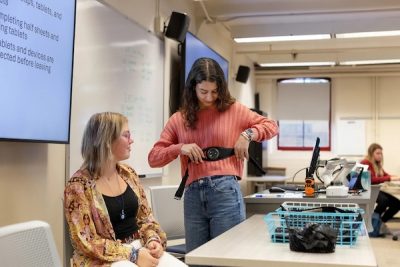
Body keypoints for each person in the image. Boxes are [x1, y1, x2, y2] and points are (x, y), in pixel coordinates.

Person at [148, 57, 279, 257]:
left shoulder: (234, 110)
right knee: (197, 258)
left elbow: (271, 126)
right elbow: (153, 158)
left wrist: (247, 135)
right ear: (193, 87)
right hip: (192, 195)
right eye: (203, 92)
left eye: (215, 91)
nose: (209, 98)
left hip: (225, 192)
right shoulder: (179, 118)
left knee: (228, 257)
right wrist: (179, 148)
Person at [64, 112, 186, 267]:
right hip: (103, 259)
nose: (131, 140)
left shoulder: (129, 174)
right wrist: (132, 255)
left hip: (139, 248)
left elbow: (145, 219)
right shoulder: (77, 186)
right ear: (107, 140)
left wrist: (152, 239)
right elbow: (86, 242)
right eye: (126, 135)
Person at [360, 143, 400, 237]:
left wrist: (395, 177)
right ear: (371, 153)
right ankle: (373, 224)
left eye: (381, 153)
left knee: (397, 204)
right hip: (365, 190)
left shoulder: (377, 165)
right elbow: (372, 179)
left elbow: (385, 175)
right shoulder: (366, 163)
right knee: (383, 201)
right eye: (377, 153)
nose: (380, 156)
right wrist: (390, 178)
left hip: (374, 189)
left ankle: (379, 224)